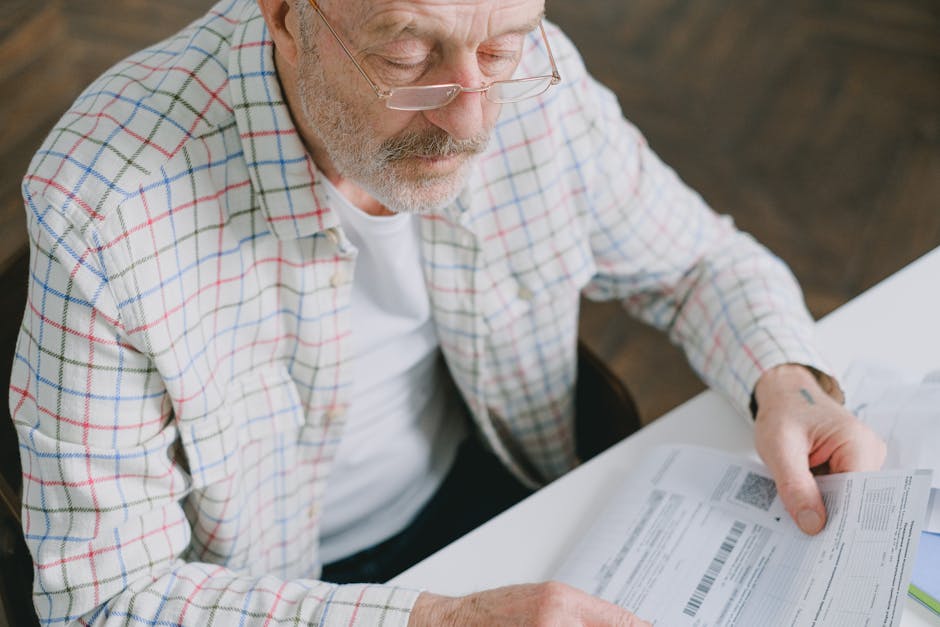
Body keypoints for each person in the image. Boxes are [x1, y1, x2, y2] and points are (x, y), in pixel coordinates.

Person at [9, 0, 885, 624]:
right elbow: (106, 597)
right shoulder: (104, 210)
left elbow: (697, 259)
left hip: (494, 489)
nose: (471, 117)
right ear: (284, 14)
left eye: (503, 48)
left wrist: (787, 378)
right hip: (258, 588)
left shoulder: (537, 84)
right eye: (404, 56)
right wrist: (438, 620)